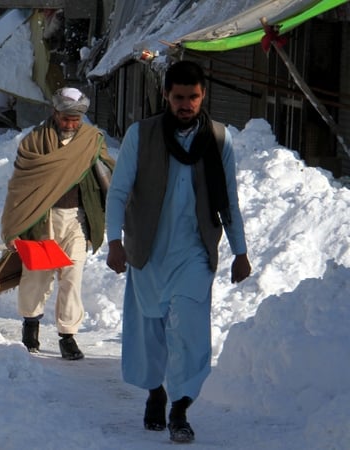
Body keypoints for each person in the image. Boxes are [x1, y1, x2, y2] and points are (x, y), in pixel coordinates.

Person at [104, 60, 252, 444]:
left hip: (195, 252)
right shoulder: (143, 135)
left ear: (203, 96)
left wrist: (240, 251)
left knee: (189, 328)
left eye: (193, 97)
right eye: (179, 97)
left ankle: (181, 407)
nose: (186, 105)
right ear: (167, 97)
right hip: (149, 248)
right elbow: (119, 191)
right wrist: (115, 241)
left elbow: (229, 199)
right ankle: (156, 391)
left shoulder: (219, 138)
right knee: (150, 328)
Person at [1, 87, 114, 360]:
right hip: (44, 219)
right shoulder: (35, 142)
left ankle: (68, 336)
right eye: (66, 118)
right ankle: (31, 326)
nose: (70, 124)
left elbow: (108, 173)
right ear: (55, 112)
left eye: (76, 119)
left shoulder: (92, 140)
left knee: (72, 278)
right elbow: (20, 184)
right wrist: (16, 223)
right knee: (37, 276)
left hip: (78, 219)